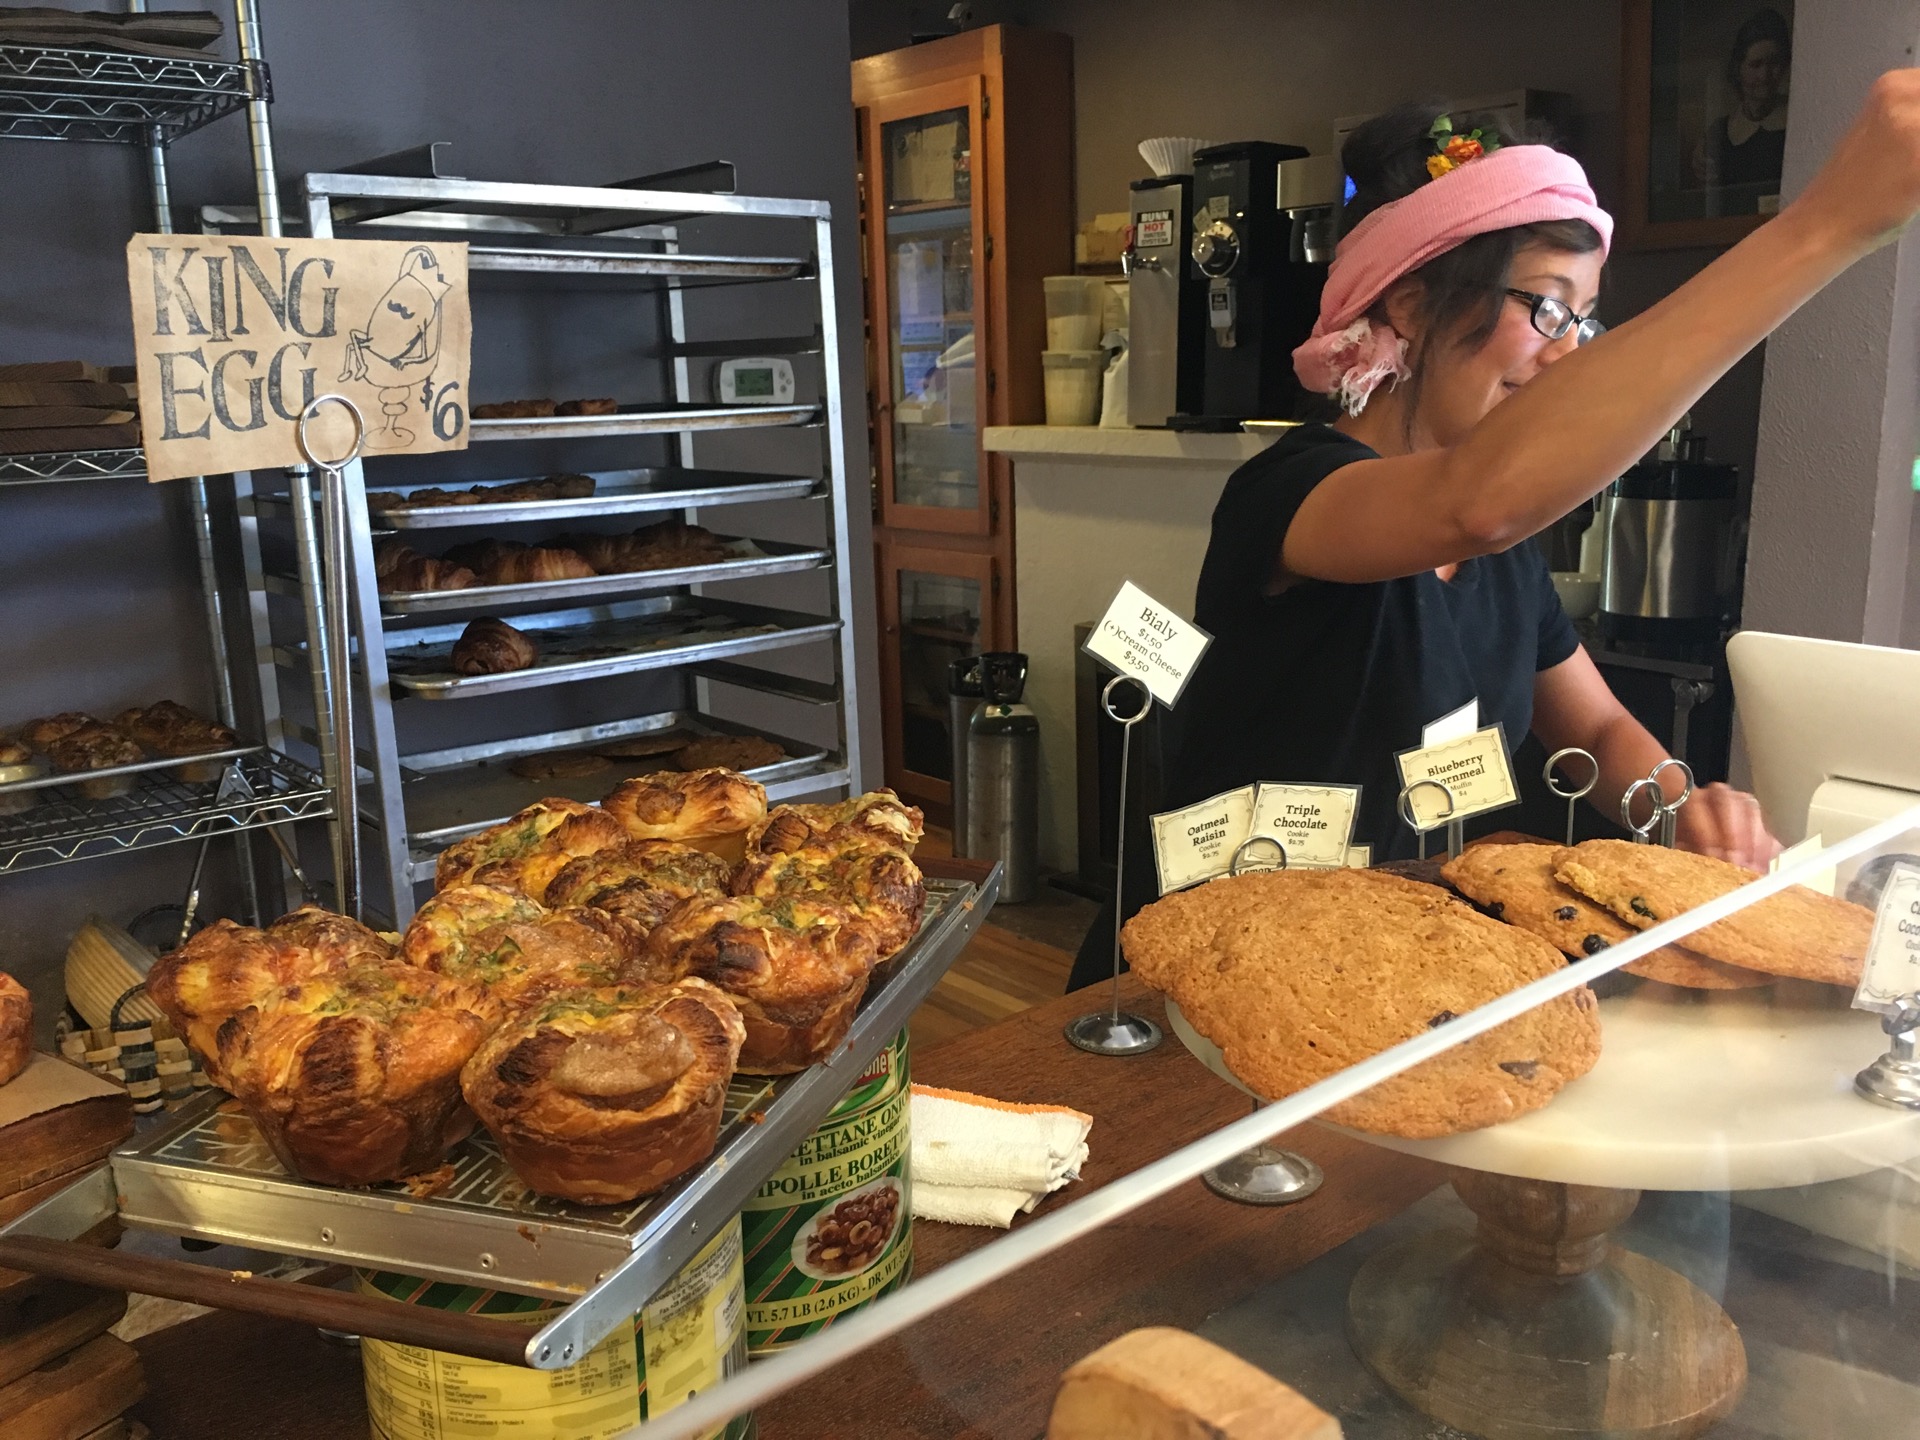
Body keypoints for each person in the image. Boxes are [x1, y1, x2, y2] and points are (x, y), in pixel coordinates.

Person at [1067, 72, 1920, 992]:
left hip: (1379, 974)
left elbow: (1590, 720)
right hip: (1193, 985)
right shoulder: (1294, 493)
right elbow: (1475, 498)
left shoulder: (1499, 552)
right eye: (1545, 306)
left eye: (1584, 320)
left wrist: (1687, 809)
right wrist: (1823, 225)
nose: (1566, 350)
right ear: (1408, 302)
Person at [1694, 8, 1793, 193]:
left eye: (1774, 63)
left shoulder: (1799, 119)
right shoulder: (1719, 133)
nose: (1764, 75)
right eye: (1755, 65)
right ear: (1738, 69)